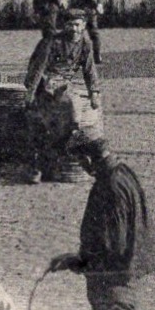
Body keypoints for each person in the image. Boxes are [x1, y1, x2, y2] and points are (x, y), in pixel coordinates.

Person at [47, 137, 155, 310]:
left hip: (112, 285)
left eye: (81, 162)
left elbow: (112, 246)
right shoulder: (123, 173)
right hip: (121, 280)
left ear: (89, 159)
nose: (82, 168)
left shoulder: (110, 187)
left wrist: (79, 262)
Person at [24, 11, 100, 183]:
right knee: (45, 122)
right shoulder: (52, 42)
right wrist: (30, 92)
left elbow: (90, 70)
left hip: (65, 83)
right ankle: (37, 166)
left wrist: (94, 92)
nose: (74, 28)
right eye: (70, 24)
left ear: (84, 26)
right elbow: (37, 68)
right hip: (46, 82)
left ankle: (74, 139)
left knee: (73, 109)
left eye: (77, 24)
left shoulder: (85, 44)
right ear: (64, 25)